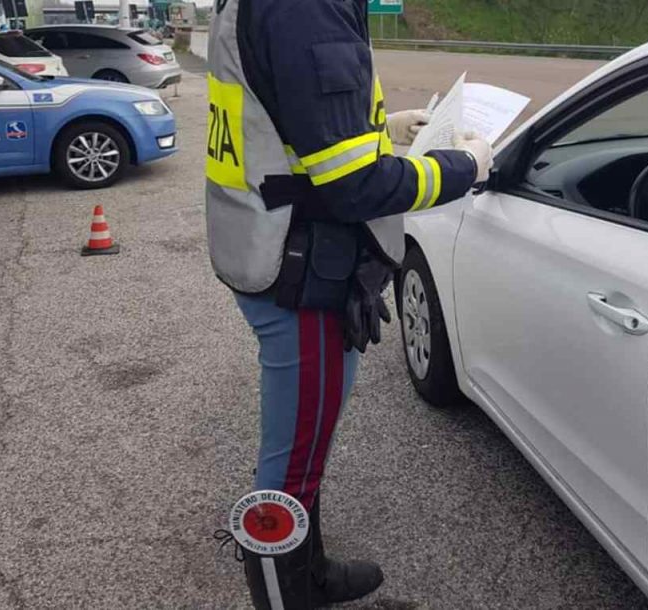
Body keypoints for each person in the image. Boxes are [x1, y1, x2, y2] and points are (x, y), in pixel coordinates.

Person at [204, 0, 494, 607]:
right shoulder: (306, 8)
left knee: (303, 444)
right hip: (301, 269)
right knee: (292, 464)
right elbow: (353, 185)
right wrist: (463, 166)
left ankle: (305, 572)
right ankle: (287, 595)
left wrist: (385, 132)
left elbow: (288, 121)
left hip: (277, 247)